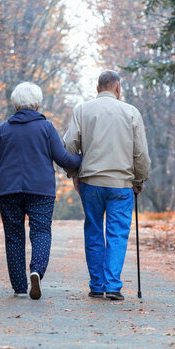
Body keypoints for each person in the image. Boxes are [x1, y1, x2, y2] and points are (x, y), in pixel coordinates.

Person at [0, 82, 82, 300]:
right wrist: (83, 159)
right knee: (41, 231)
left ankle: (19, 287)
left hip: (8, 191)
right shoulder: (46, 127)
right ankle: (36, 270)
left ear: (15, 103)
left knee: (14, 237)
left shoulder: (4, 128)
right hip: (41, 190)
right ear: (37, 102)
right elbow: (62, 158)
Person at [63, 70, 151, 301]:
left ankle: (96, 285)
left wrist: (74, 173)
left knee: (93, 230)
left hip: (91, 183)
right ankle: (113, 286)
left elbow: (69, 146)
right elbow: (140, 153)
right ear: (118, 88)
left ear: (97, 88)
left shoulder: (82, 110)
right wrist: (139, 180)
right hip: (122, 185)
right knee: (117, 234)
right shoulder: (131, 112)